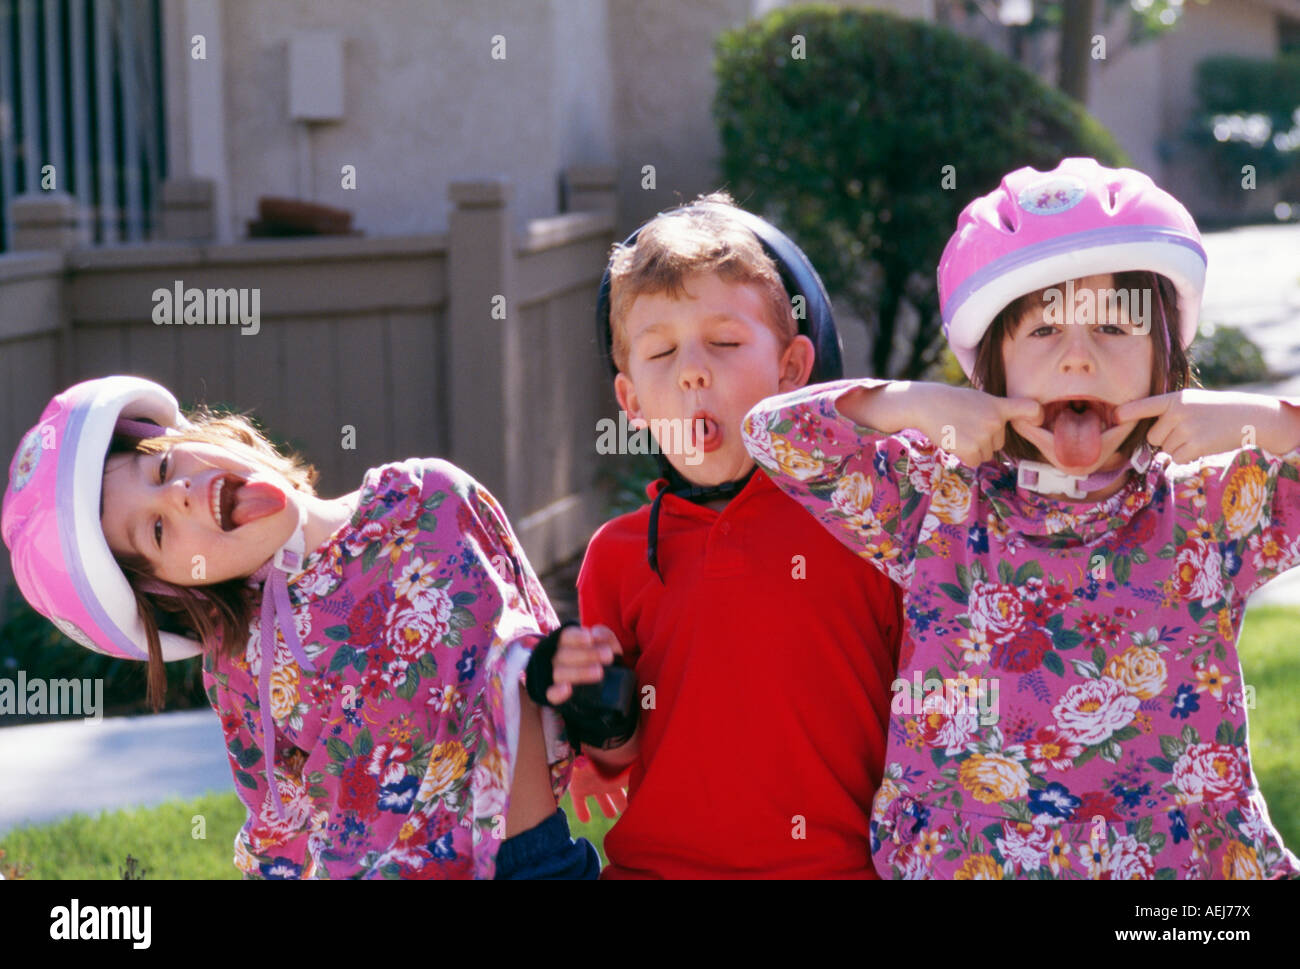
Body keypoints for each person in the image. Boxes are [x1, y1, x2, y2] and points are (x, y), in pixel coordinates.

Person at [742, 157, 1300, 879]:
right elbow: (773, 431)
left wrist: (1264, 422)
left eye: (1113, 327)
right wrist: (912, 403)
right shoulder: (935, 498)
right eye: (1042, 333)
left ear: (1169, 352)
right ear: (991, 369)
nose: (1079, 359)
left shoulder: (1211, 503)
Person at [1, 375, 603, 879]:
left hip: (532, 858)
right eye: (157, 532)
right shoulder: (241, 664)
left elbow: (545, 670)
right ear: (172, 589)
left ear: (198, 436)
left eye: (161, 469)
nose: (180, 495)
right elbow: (277, 826)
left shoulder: (431, 499)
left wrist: (604, 728)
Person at [571, 193, 904, 878]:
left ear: (791, 370)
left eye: (724, 342)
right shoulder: (615, 557)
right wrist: (596, 702)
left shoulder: (865, 518)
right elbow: (614, 764)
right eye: (660, 352)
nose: (694, 370)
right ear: (630, 402)